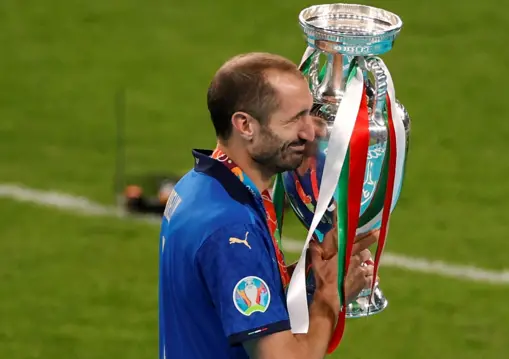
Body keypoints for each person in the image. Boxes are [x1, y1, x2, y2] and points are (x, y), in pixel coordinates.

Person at [158, 52, 378, 359]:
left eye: (309, 113)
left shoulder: (201, 186)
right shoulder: (232, 231)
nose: (310, 131)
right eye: (294, 119)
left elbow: (228, 291)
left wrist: (314, 274)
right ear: (245, 125)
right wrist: (331, 293)